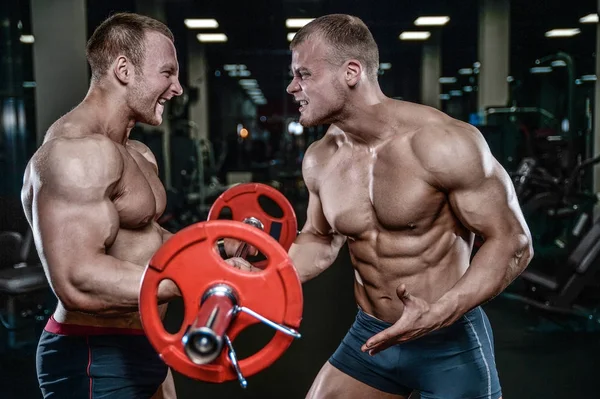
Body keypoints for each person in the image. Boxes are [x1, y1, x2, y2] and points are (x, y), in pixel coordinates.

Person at [285, 14, 533, 399]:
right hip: (371, 337)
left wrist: (443, 310)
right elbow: (319, 237)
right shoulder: (321, 158)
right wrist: (264, 276)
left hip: (448, 340)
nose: (292, 87)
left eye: (304, 74)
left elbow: (513, 240)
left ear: (351, 72)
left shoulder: (443, 143)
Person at [20, 13, 248, 399]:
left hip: (144, 339)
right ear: (123, 69)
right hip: (94, 354)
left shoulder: (137, 154)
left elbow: (147, 240)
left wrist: (218, 250)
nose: (177, 88)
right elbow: (78, 278)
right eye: (167, 73)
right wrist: (193, 279)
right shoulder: (74, 154)